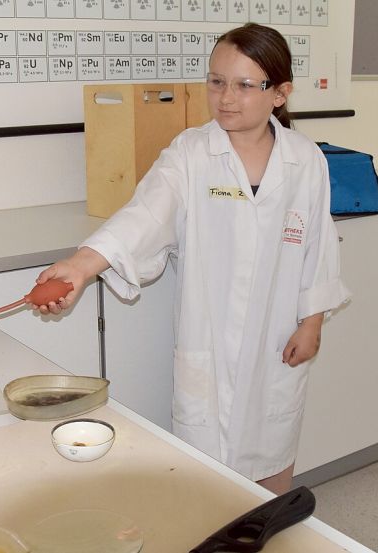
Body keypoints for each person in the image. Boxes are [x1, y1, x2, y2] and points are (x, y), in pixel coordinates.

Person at [32, 23, 350, 495]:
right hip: (210, 343)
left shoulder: (305, 160)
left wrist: (313, 321)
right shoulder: (191, 154)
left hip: (276, 338)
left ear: (280, 93)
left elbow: (319, 245)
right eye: (216, 81)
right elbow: (143, 216)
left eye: (245, 85)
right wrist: (81, 265)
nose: (225, 97)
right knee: (206, 475)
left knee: (274, 453)